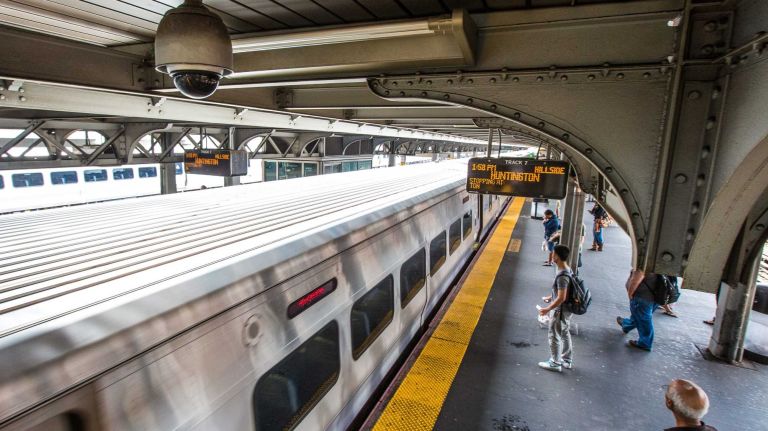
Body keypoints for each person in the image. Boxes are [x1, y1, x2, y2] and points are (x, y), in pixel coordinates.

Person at [538, 245, 573, 372]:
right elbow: (563, 293)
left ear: (557, 256)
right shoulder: (568, 269)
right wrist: (550, 296)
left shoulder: (562, 275)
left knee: (554, 334)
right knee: (564, 332)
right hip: (566, 310)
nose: (552, 255)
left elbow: (562, 297)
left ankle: (555, 362)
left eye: (553, 253)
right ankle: (567, 360)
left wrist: (547, 309)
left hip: (560, 310)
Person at [617, 270, 659, 351]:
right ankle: (626, 324)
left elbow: (637, 277)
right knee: (639, 315)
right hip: (655, 294)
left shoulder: (645, 261)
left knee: (643, 318)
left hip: (643, 295)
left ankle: (645, 343)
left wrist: (630, 293)